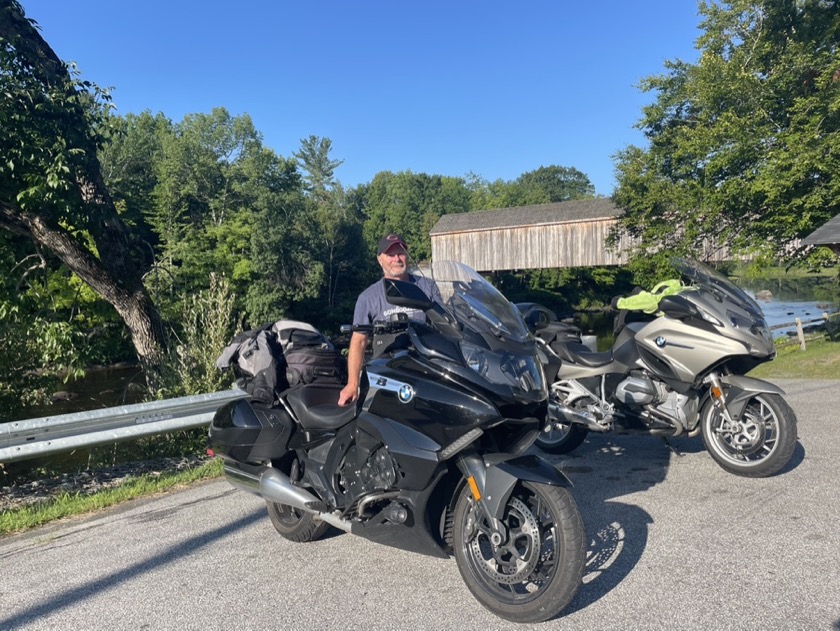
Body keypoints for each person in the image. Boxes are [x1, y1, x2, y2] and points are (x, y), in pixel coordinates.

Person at [338, 233, 441, 405]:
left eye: (400, 253)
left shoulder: (427, 287)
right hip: (387, 374)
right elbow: (359, 341)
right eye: (390, 255)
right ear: (380, 259)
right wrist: (352, 383)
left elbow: (443, 324)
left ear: (407, 256)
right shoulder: (368, 298)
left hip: (424, 368)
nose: (397, 259)